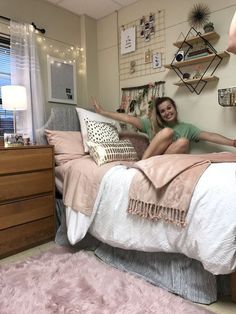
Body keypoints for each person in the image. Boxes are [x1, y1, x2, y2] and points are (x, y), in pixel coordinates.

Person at [91, 96, 236, 159]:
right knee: (168, 132)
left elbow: (209, 135)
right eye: (163, 111)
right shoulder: (151, 124)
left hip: (169, 162)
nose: (167, 112)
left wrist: (232, 142)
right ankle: (142, 165)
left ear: (175, 108)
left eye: (169, 108)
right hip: (150, 159)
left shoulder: (187, 128)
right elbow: (128, 118)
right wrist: (102, 112)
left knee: (183, 142)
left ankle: (154, 165)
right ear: (159, 114)